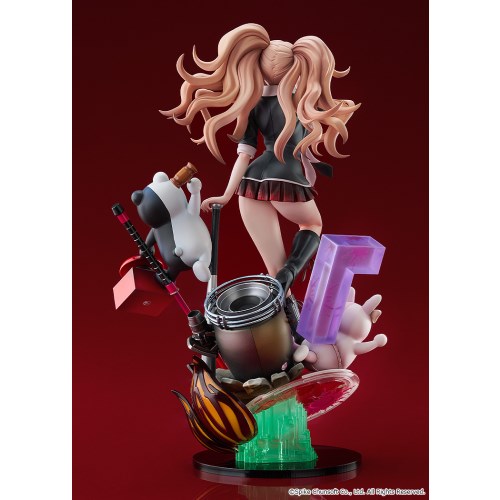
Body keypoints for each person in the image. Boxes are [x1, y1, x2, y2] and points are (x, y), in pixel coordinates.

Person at [161, 23, 359, 329]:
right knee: (312, 225)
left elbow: (244, 154)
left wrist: (227, 194)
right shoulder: (301, 102)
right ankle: (291, 279)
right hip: (286, 178)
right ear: (295, 68)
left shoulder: (253, 105)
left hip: (251, 185)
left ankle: (289, 325)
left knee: (275, 270)